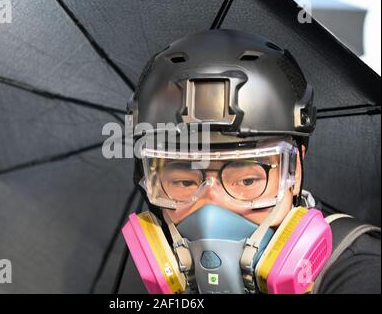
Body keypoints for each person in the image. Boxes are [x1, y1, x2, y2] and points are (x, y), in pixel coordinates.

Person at [123, 29, 381, 294]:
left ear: (295, 171)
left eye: (247, 179)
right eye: (184, 181)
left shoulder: (359, 272)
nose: (212, 208)